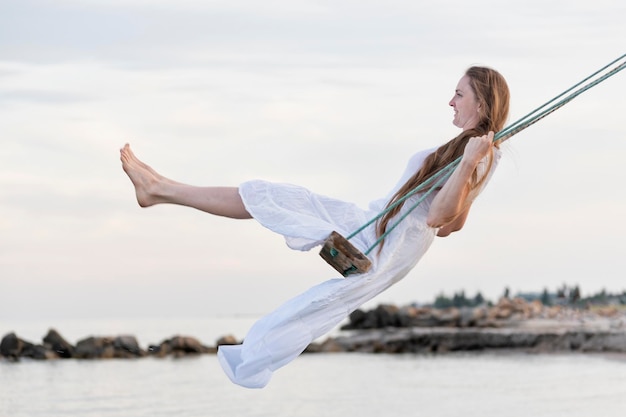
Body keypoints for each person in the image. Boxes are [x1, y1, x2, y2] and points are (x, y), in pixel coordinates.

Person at [120, 66, 510, 388]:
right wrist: (465, 165)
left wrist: (466, 167)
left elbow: (440, 219)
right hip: (377, 226)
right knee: (275, 196)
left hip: (386, 244)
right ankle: (160, 189)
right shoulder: (471, 149)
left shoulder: (478, 154)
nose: (450, 101)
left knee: (287, 230)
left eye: (459, 94)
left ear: (481, 101)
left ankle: (159, 189)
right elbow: (451, 225)